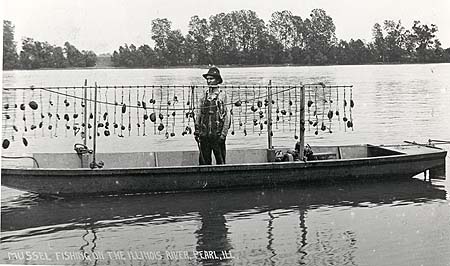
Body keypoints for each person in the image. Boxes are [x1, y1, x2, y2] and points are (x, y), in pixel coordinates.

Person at [194, 67, 230, 165]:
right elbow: (199, 114)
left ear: (217, 80)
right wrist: (197, 129)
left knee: (221, 161)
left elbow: (227, 117)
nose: (209, 81)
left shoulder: (223, 96)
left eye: (211, 79)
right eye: (208, 79)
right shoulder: (203, 95)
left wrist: (223, 134)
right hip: (204, 135)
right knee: (204, 162)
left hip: (217, 135)